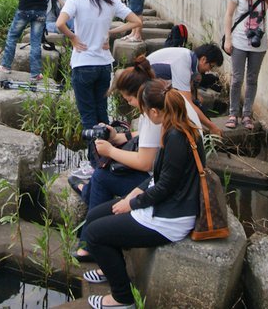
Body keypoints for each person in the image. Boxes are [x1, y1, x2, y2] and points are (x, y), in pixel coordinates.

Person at [81, 79, 204, 309]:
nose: (145, 118)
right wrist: (134, 193)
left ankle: (122, 298)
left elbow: (165, 187)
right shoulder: (174, 126)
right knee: (94, 217)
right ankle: (112, 268)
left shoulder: (177, 137)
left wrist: (133, 203)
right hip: (163, 205)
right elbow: (160, 177)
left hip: (170, 218)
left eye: (145, 113)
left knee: (95, 234)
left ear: (155, 111)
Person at [69, 55, 202, 263]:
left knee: (102, 177)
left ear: (142, 97)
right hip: (172, 181)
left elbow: (146, 164)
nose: (130, 104)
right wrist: (117, 138)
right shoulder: (168, 99)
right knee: (101, 180)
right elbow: (148, 144)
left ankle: (89, 243)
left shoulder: (156, 117)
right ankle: (90, 222)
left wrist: (111, 152)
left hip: (169, 197)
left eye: (129, 99)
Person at [56, 0, 141, 129]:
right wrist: (110, 32)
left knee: (88, 117)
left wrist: (73, 38)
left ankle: (94, 155)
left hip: (83, 64)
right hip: (103, 65)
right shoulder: (111, 0)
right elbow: (136, 21)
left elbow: (59, 24)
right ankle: (105, 154)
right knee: (102, 114)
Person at [223, 0, 268, 130]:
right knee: (237, 78)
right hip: (239, 42)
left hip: (258, 44)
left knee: (252, 79)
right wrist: (228, 38)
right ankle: (233, 113)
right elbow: (229, 15)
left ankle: (247, 115)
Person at [147, 43, 224, 136]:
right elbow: (188, 104)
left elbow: (188, 85)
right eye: (211, 66)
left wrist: (195, 95)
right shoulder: (183, 64)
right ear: (203, 59)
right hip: (146, 83)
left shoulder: (189, 56)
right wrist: (212, 127)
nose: (208, 71)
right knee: (182, 105)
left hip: (156, 80)